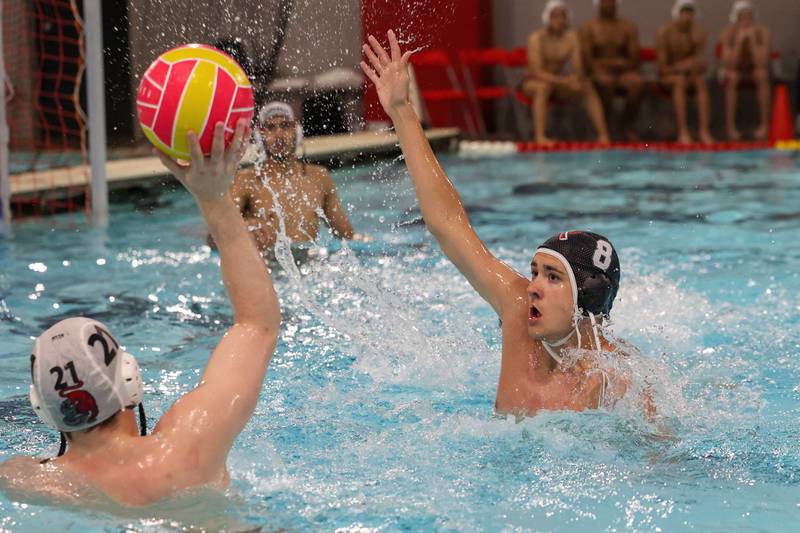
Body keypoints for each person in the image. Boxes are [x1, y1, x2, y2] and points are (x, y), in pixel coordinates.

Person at [0, 120, 282, 507]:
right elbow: (257, 323)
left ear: (43, 410)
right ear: (130, 378)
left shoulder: (27, 480)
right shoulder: (189, 448)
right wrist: (213, 198)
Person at [362, 31, 637, 415]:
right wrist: (402, 111)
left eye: (553, 277)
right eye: (535, 272)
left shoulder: (618, 380)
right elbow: (448, 225)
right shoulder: (516, 309)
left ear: (586, 298)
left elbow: (661, 460)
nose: (534, 288)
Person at [222, 101, 355, 255]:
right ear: (260, 135)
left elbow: (347, 236)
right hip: (269, 268)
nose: (279, 135)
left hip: (310, 267)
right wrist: (245, 226)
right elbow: (217, 236)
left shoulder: (319, 177)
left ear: (296, 131)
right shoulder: (246, 180)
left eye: (285, 126)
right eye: (270, 128)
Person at [521, 0, 610, 146]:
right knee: (543, 87)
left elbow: (578, 67)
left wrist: (575, 78)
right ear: (547, 18)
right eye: (555, 16)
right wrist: (563, 81)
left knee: (586, 85)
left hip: (556, 83)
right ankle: (540, 136)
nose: (559, 20)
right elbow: (536, 72)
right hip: (532, 83)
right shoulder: (536, 38)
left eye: (562, 16)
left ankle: (603, 135)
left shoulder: (571, 38)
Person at [579, 0, 643, 141]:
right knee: (605, 81)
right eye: (605, 2)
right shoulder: (588, 28)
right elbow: (587, 60)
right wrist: (614, 64)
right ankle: (605, 128)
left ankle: (626, 126)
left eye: (611, 2)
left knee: (636, 83)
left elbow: (634, 58)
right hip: (597, 74)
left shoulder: (628, 27)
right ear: (598, 4)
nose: (608, 5)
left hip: (623, 73)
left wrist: (610, 65)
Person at [656, 0, 714, 145]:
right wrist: (683, 66)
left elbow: (701, 66)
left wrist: (693, 67)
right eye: (684, 13)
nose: (687, 17)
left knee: (700, 81)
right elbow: (662, 68)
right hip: (668, 77)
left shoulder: (699, 33)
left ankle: (703, 130)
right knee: (679, 81)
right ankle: (683, 131)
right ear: (677, 14)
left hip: (690, 76)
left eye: (690, 13)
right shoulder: (664, 32)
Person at [719, 1, 771, 140]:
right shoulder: (728, 33)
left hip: (754, 70)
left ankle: (764, 125)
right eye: (742, 17)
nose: (746, 21)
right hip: (735, 70)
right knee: (732, 76)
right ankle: (730, 127)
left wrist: (753, 40)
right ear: (736, 18)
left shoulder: (762, 32)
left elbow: (761, 63)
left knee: (761, 74)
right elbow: (730, 64)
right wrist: (739, 42)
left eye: (749, 16)